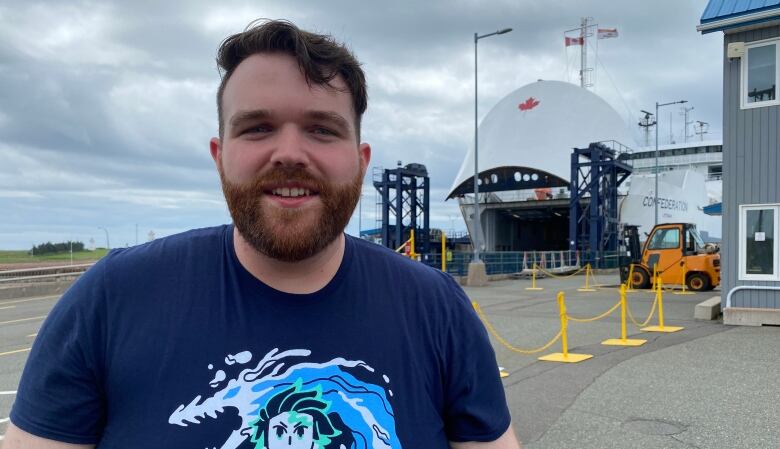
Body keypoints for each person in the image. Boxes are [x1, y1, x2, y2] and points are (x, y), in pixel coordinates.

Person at [4, 19, 522, 449]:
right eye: (257, 127)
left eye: (322, 128)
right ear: (219, 155)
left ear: (361, 163)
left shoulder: (437, 309)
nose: (290, 153)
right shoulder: (110, 300)